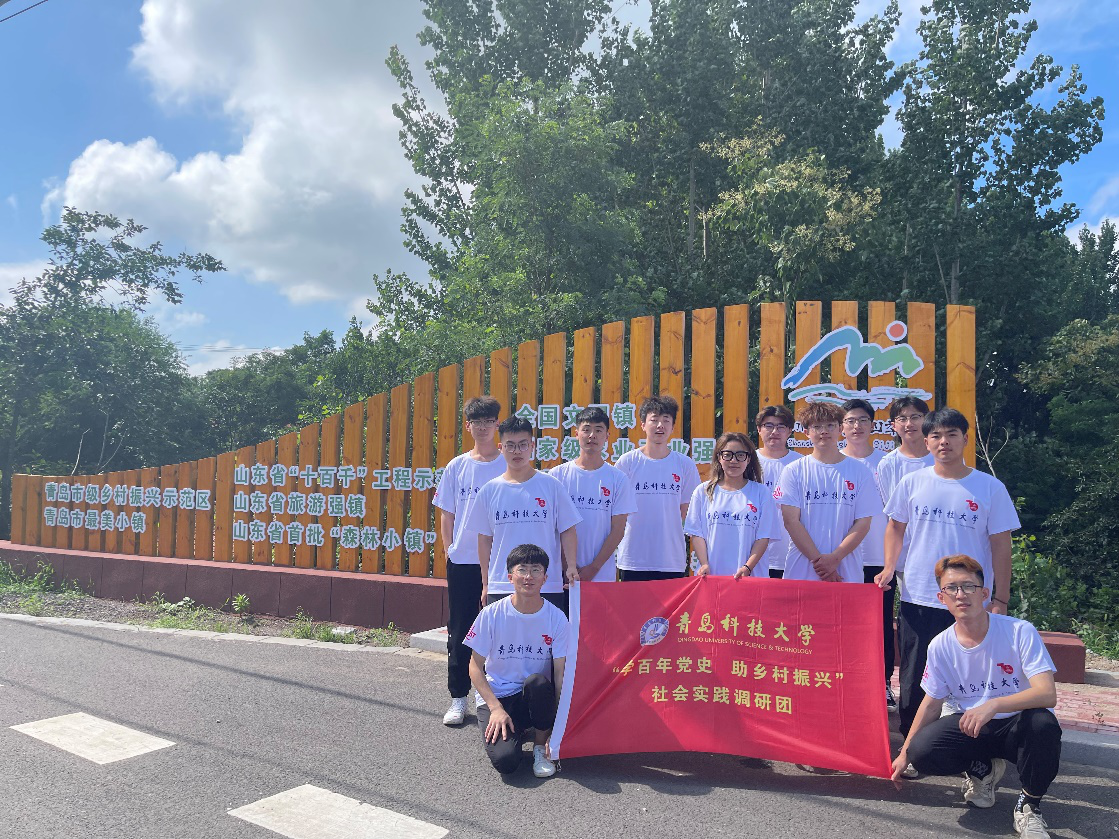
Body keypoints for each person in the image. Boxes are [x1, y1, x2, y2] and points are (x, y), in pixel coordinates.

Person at [876, 407, 1021, 754]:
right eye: (936, 436)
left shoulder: (989, 487)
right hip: (919, 595)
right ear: (926, 442)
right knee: (914, 673)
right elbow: (895, 527)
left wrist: (1000, 598)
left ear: (965, 439)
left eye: (951, 434)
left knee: (973, 675)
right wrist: (889, 566)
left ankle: (974, 754)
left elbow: (1001, 545)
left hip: (971, 600)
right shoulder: (912, 482)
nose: (944, 442)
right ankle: (912, 746)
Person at [892, 554, 1060, 839]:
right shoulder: (940, 645)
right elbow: (931, 703)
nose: (961, 594)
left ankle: (1029, 806)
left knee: (1043, 725)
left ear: (983, 594)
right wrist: (904, 753)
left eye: (968, 586)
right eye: (951, 588)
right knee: (922, 751)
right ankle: (982, 770)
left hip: (1018, 724)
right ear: (941, 598)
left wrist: (994, 705)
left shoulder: (1019, 631)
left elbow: (1047, 693)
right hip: (972, 726)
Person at [466, 544, 570, 778]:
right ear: (510, 576)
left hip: (532, 695)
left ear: (545, 578)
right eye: (522, 569)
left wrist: (558, 724)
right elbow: (474, 666)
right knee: (507, 763)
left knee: (538, 682)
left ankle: (540, 746)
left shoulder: (557, 618)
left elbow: (560, 673)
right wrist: (495, 708)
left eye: (536, 570)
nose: (528, 576)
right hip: (498, 697)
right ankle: (518, 729)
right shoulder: (491, 614)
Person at [434, 396, 507, 726]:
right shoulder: (457, 466)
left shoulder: (508, 463)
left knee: (498, 629)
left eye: (489, 421)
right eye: (477, 422)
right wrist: (449, 549)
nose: (483, 427)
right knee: (461, 628)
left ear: (497, 424)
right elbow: (446, 513)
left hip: (502, 561)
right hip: (463, 561)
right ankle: (459, 696)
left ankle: (488, 692)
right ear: (468, 426)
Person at [466, 416, 580, 612]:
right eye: (510, 445)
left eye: (522, 445)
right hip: (502, 584)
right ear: (501, 448)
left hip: (546, 584)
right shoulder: (489, 490)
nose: (517, 451)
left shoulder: (551, 486)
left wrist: (571, 566)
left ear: (532, 446)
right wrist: (486, 583)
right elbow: (484, 540)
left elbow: (568, 529)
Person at [775, 402, 877, 583]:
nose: (824, 431)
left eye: (830, 425)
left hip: (846, 569)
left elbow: (863, 523)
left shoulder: (860, 471)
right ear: (806, 432)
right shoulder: (793, 471)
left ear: (840, 429)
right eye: (817, 426)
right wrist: (821, 563)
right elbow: (791, 521)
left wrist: (835, 558)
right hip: (802, 570)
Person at [841, 398, 895, 709]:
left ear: (873, 425)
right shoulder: (832, 462)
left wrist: (891, 562)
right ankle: (845, 681)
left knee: (880, 624)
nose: (856, 426)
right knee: (842, 624)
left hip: (878, 559)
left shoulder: (885, 463)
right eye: (850, 421)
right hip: (841, 558)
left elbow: (896, 516)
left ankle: (882, 683)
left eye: (862, 420)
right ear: (841, 427)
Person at [614, 395, 702, 580]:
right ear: (643, 424)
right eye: (654, 420)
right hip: (633, 557)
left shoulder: (684, 464)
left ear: (673, 427)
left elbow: (686, 510)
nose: (660, 425)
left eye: (666, 420)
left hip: (670, 558)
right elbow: (617, 509)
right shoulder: (627, 462)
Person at [549, 406, 638, 582]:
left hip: (601, 576)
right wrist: (567, 566)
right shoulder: (557, 476)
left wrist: (594, 568)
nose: (592, 435)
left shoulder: (618, 478)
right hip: (561, 575)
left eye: (598, 430)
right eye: (586, 429)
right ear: (576, 434)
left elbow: (618, 529)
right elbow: (552, 526)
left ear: (607, 436)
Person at [684, 432, 782, 578]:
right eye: (727, 455)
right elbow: (697, 534)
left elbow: (763, 537)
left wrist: (747, 567)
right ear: (719, 457)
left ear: (748, 459)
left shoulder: (762, 493)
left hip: (749, 578)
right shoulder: (703, 491)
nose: (734, 460)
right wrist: (704, 564)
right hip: (712, 577)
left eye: (740, 455)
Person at [755, 405, 800, 579]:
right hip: (753, 556)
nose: (774, 431)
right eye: (769, 426)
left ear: (790, 431)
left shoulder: (801, 464)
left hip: (791, 554)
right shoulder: (746, 463)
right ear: (759, 429)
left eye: (781, 426)